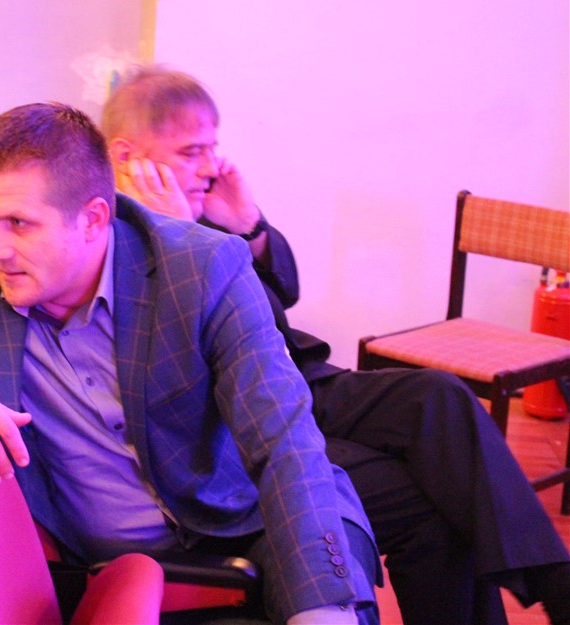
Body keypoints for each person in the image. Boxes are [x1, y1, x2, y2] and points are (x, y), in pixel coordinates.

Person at [0, 102, 381, 625]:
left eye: (19, 223)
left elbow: (284, 443)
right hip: (101, 572)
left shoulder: (202, 267)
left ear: (92, 219)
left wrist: (319, 606)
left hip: (248, 520)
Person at [99, 65, 570, 625]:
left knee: (439, 396)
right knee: (441, 498)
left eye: (213, 149)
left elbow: (284, 291)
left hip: (303, 378)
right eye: (190, 152)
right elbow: (187, 366)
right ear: (126, 157)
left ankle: (557, 585)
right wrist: (181, 239)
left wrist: (249, 225)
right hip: (247, 412)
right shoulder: (115, 240)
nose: (209, 167)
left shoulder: (196, 207)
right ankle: (558, 590)